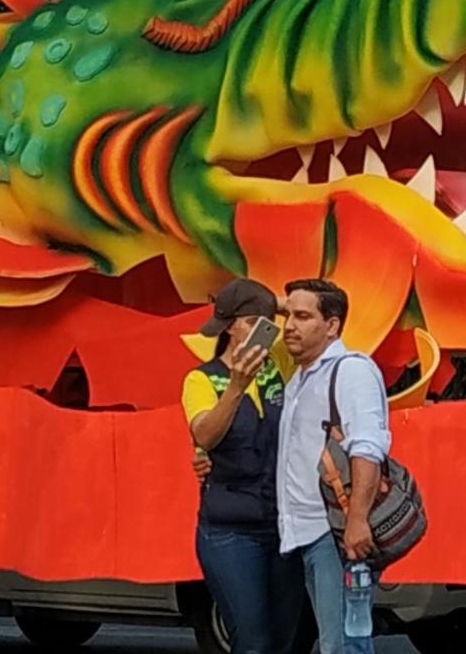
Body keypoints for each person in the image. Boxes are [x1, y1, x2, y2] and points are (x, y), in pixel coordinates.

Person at [181, 278, 302, 654]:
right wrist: (236, 386)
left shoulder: (279, 361)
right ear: (230, 326)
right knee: (252, 642)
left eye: (269, 323)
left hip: (283, 524)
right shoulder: (203, 379)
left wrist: (276, 305)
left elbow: (333, 317)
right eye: (252, 322)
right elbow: (205, 436)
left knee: (288, 641)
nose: (264, 331)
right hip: (230, 529)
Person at [276, 278, 389, 654]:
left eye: (303, 316)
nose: (290, 324)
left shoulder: (350, 371)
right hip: (308, 531)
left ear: (332, 325)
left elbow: (367, 447)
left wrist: (356, 520)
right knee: (336, 643)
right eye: (287, 315)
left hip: (336, 533)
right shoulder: (303, 375)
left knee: (343, 644)